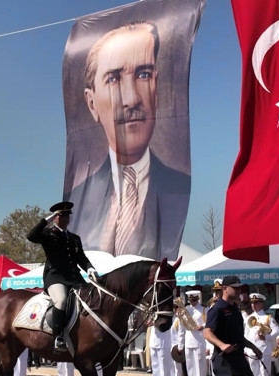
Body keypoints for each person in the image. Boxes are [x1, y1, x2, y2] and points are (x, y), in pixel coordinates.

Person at [68, 21, 189, 258]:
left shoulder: (180, 188)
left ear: (156, 89)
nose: (132, 99)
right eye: (113, 79)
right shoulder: (78, 203)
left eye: (143, 75)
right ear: (92, 103)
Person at [27, 201, 97, 353]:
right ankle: (58, 337)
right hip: (56, 277)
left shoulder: (74, 238)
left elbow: (81, 258)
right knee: (61, 300)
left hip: (74, 278)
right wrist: (46, 220)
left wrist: (90, 268)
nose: (65, 219)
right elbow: (31, 236)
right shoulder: (47, 233)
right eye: (61, 216)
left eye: (67, 216)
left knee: (92, 298)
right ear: (56, 218)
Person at [243, 293, 279, 376]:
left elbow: (277, 331)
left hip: (264, 349)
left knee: (264, 373)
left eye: (256, 302)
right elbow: (246, 334)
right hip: (252, 349)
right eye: (252, 303)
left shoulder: (268, 317)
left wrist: (267, 337)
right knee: (253, 373)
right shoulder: (249, 318)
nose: (254, 305)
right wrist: (246, 349)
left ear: (262, 303)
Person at [178, 290, 207, 376]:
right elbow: (181, 327)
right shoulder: (186, 310)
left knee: (200, 364)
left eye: (194, 300)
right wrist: (180, 343)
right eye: (190, 300)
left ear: (197, 299)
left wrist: (203, 326)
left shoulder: (204, 309)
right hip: (189, 339)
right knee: (190, 364)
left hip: (200, 340)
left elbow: (209, 322)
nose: (192, 302)